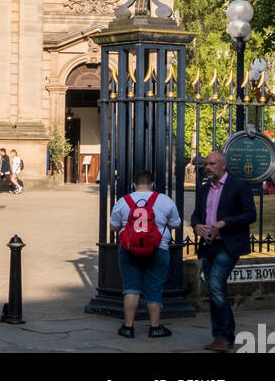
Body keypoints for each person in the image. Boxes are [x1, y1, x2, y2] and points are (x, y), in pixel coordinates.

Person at [191, 148, 256, 352]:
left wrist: (224, 223)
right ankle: (221, 335)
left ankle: (224, 336)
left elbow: (250, 215)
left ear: (223, 165)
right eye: (206, 164)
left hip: (229, 245)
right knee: (212, 288)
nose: (207, 168)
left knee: (216, 286)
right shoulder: (204, 189)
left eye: (211, 164)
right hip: (209, 244)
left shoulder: (238, 185)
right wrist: (196, 226)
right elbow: (195, 215)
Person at [109, 168, 181, 339]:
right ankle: (155, 327)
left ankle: (128, 327)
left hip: (129, 250)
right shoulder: (165, 201)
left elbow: (113, 227)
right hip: (158, 249)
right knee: (155, 286)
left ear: (134, 184)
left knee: (131, 287)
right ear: (152, 184)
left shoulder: (123, 201)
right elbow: (176, 224)